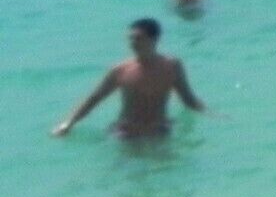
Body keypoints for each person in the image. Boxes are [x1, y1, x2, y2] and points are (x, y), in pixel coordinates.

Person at [54, 19, 205, 138]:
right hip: (127, 133)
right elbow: (94, 98)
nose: (133, 43)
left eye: (138, 39)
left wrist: (211, 117)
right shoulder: (120, 70)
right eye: (131, 39)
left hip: (160, 131)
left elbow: (188, 99)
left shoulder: (172, 66)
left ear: (155, 39)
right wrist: (69, 123)